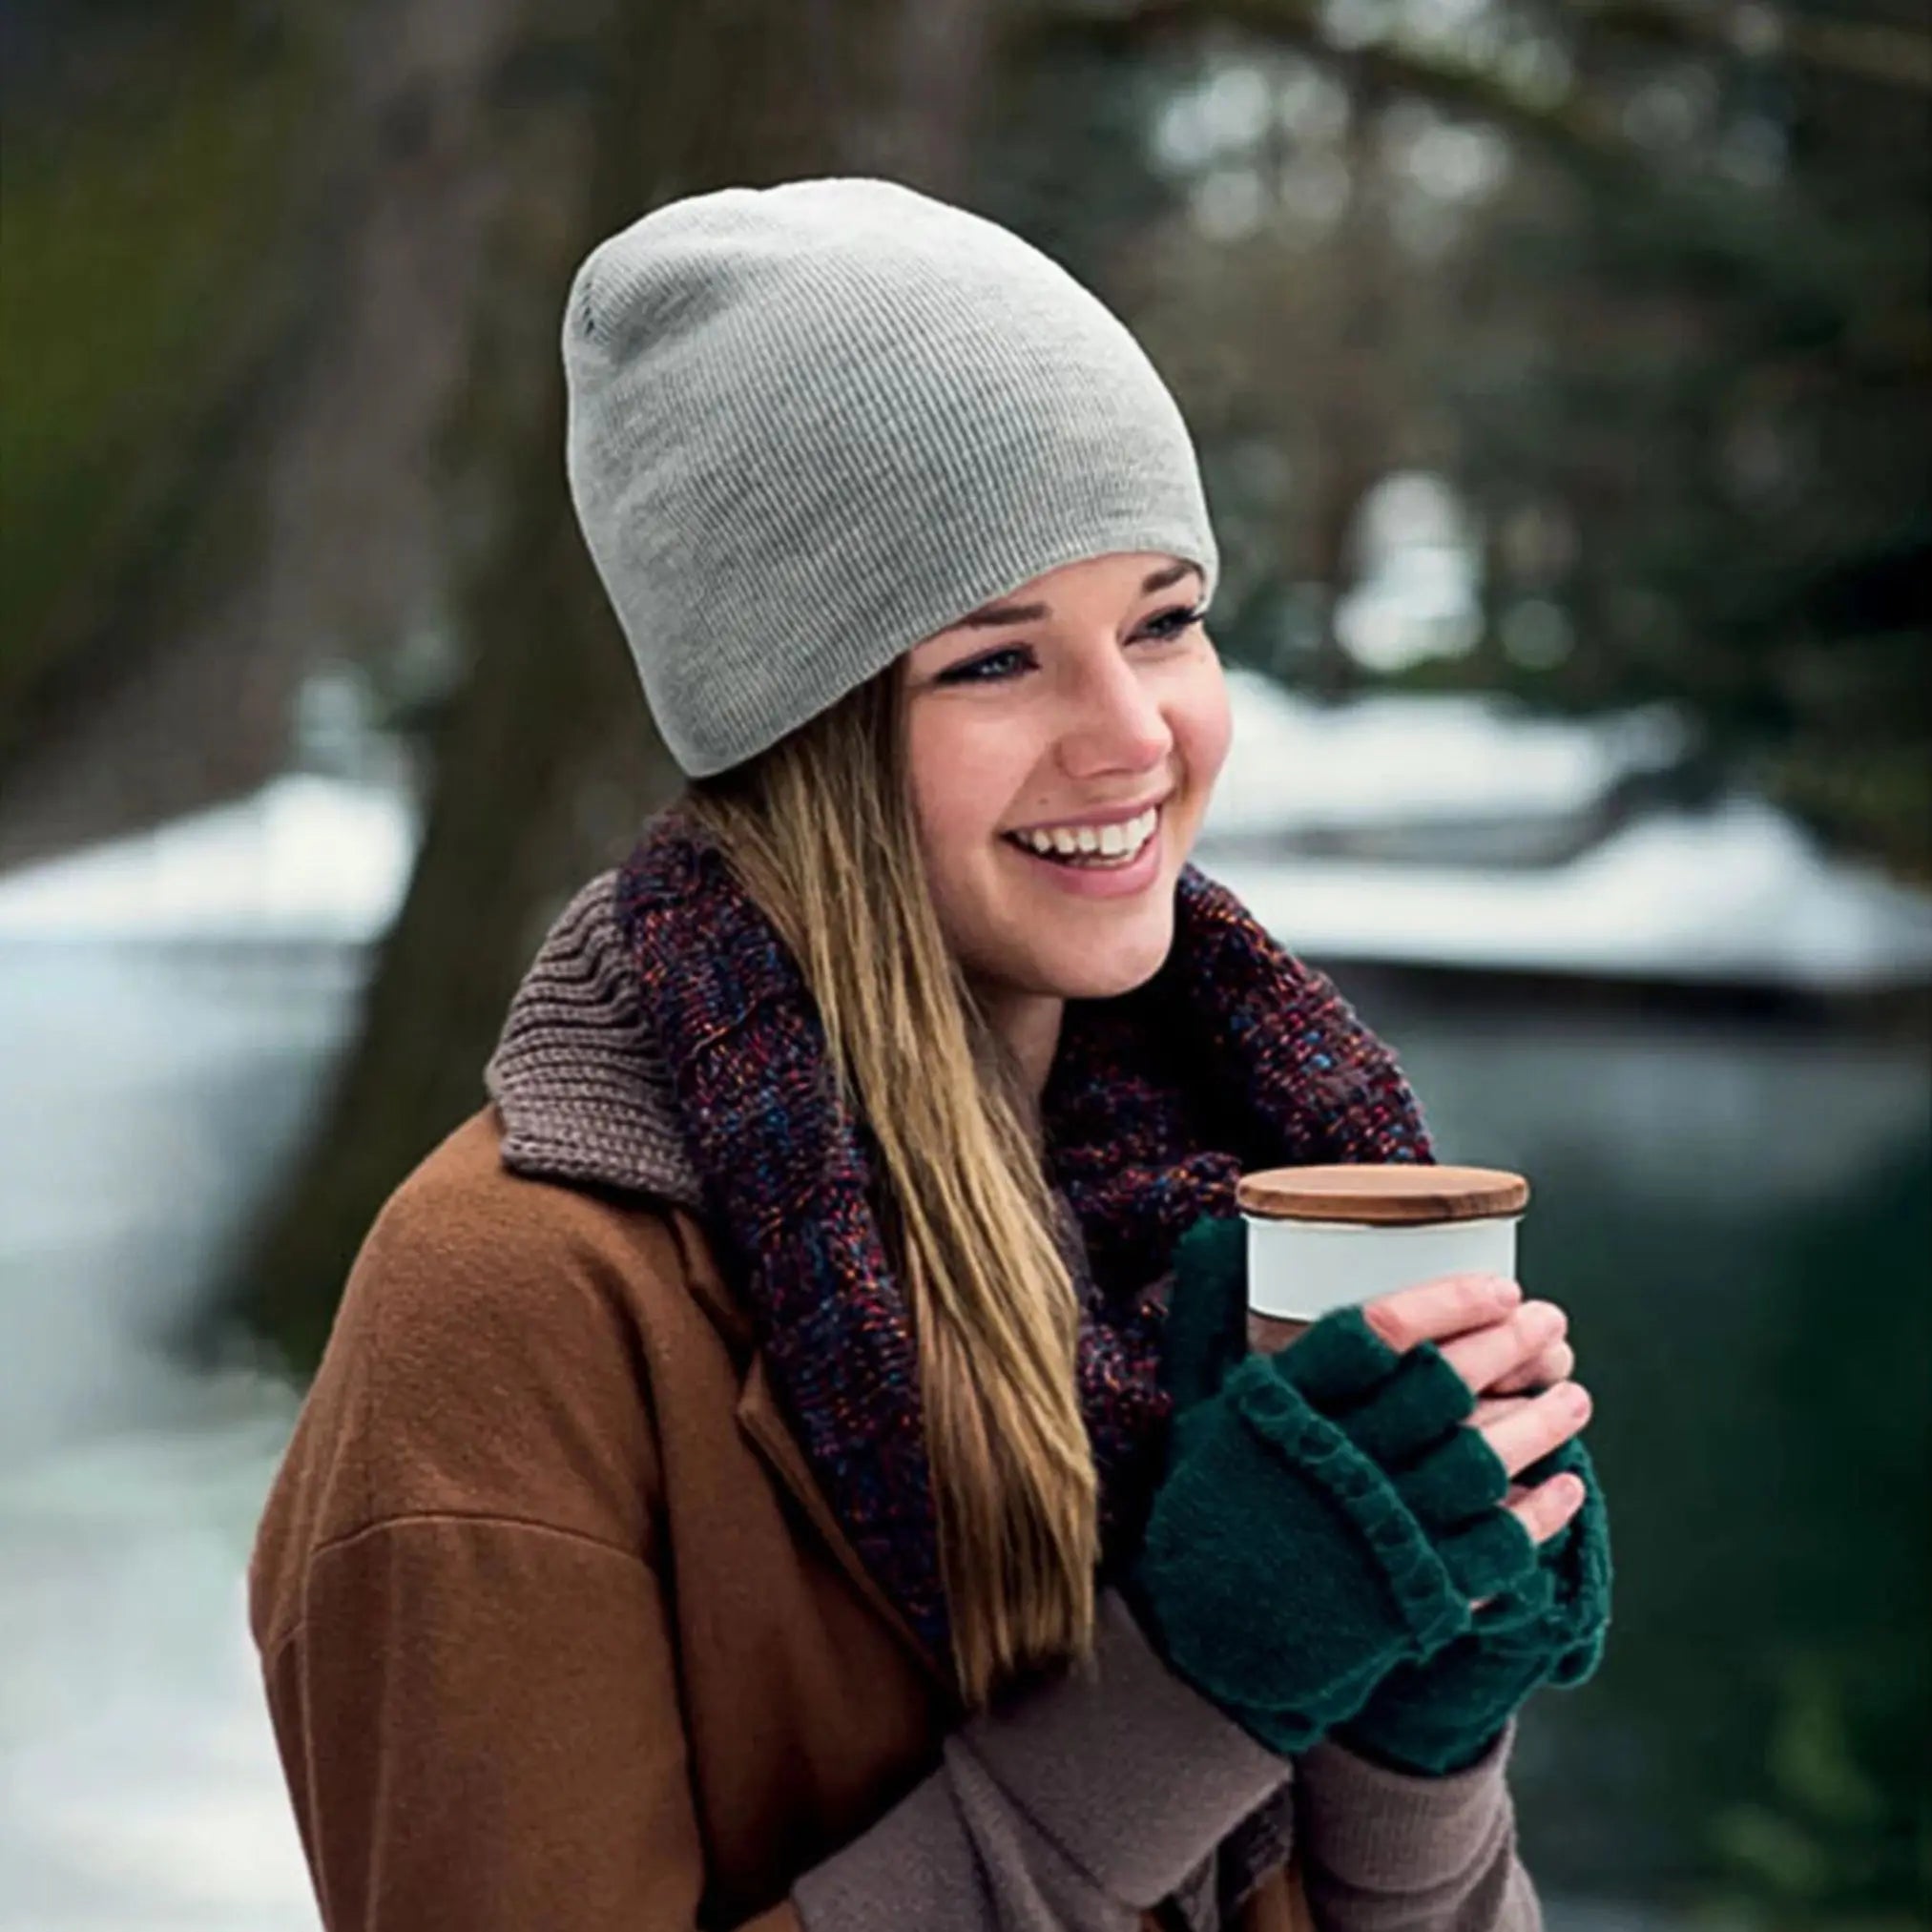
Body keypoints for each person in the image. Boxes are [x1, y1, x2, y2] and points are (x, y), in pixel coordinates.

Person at [249, 177, 1611, 1932]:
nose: (1134, 737)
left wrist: (1414, 1755)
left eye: (1164, 617)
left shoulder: (1237, 1197)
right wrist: (1184, 1697)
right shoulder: (511, 1317)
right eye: (991, 661)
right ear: (793, 728)